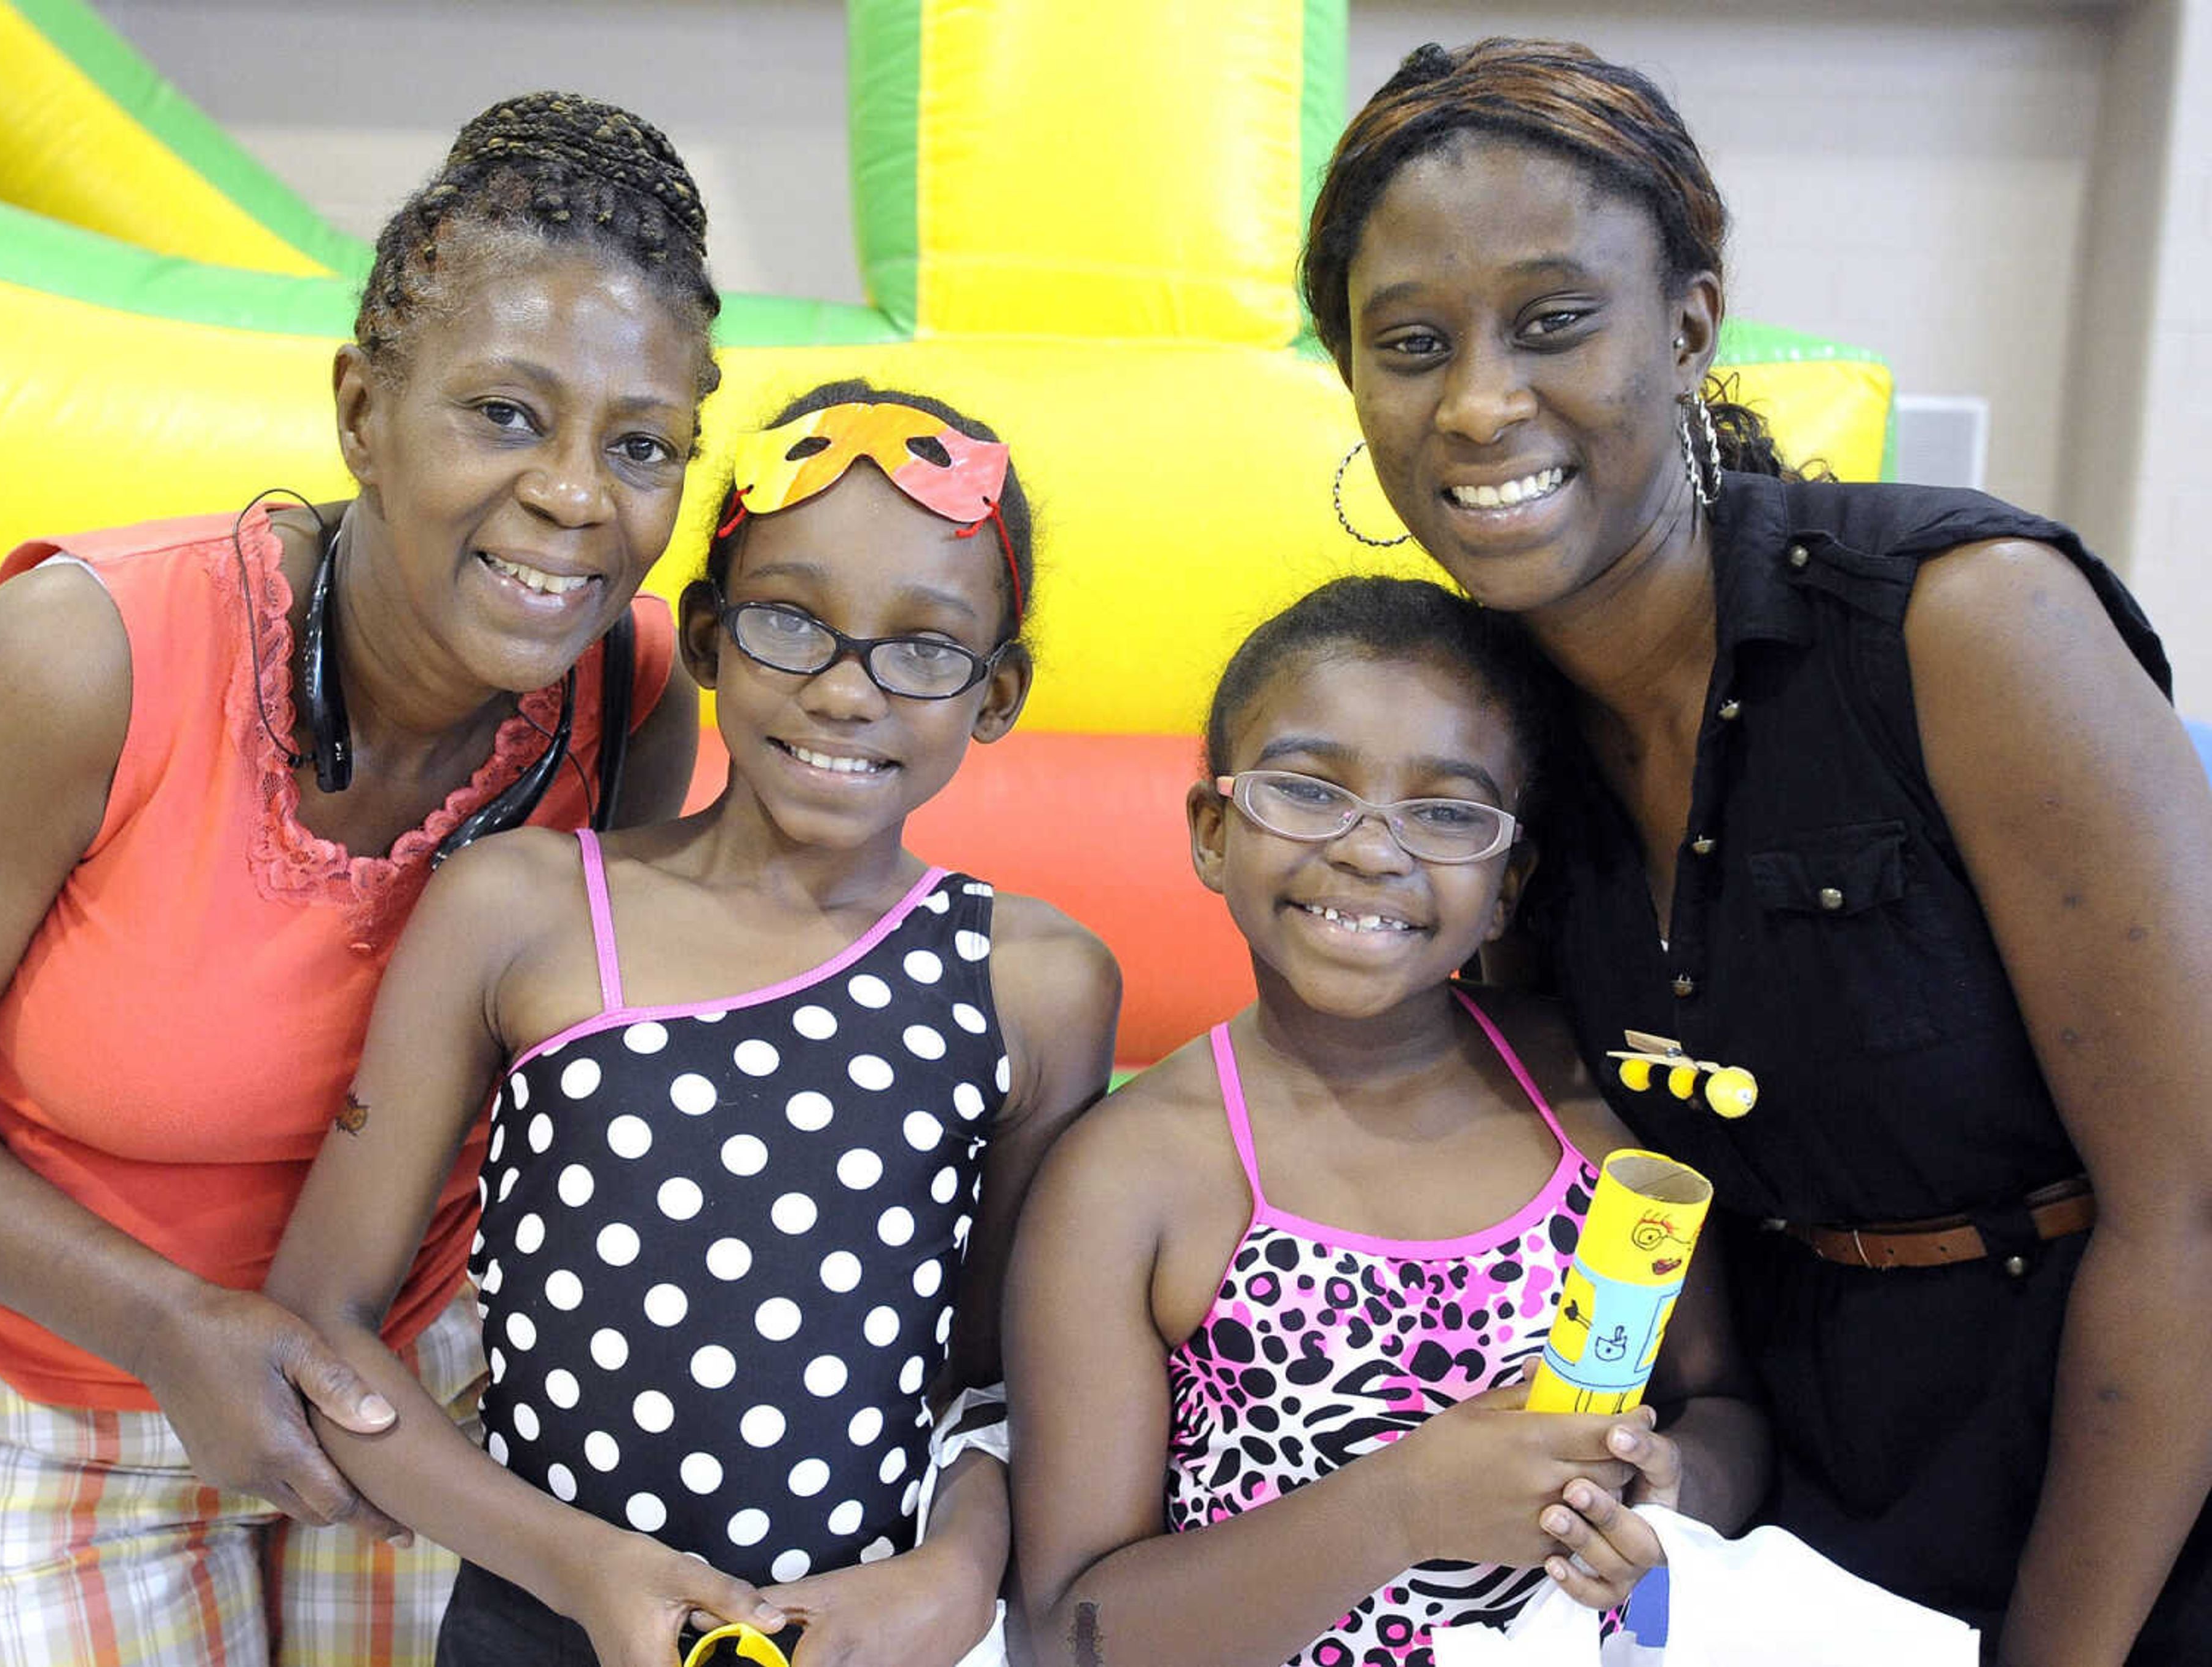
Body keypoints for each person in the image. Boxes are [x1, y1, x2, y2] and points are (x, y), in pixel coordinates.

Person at [1298, 37, 2212, 1666]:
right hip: (1792, 1533)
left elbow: (2196, 1215)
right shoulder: (1490, 750)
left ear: (1693, 327)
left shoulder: (1961, 626)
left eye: (1555, 320)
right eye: (1410, 345)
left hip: (2135, 1500)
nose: (1481, 401)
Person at [0, 92, 718, 1665]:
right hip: (45, 1418)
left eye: (643, 445)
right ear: (361, 411)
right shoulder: (90, 660)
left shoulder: (627, 693)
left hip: (414, 1397)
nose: (580, 500)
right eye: (506, 415)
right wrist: (168, 1326)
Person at [263, 381, 1122, 1667]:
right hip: (532, 1622)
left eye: (925, 648)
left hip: (862, 1639)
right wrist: (576, 1563)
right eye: (792, 624)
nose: (846, 690)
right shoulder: (522, 910)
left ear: (996, 695)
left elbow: (998, 1384)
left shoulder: (1038, 982)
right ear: (709, 639)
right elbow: (321, 1324)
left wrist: (953, 1575)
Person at [1004, 577, 1767, 1667]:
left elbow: (1725, 1406)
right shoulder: (1130, 1179)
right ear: (1215, 832)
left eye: (1448, 813)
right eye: (1310, 791)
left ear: (1508, 885)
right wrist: (1402, 1510)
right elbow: (1070, 1633)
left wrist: (1675, 1494)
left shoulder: (1594, 1107)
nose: (1371, 850)